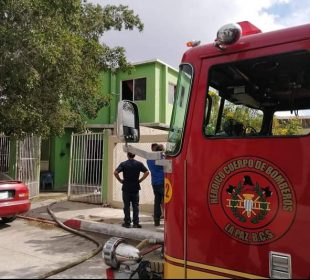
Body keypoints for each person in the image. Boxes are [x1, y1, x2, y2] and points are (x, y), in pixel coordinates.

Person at [114, 152, 149, 228]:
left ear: (127, 155)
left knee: (126, 206)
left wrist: (120, 180)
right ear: (134, 155)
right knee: (135, 206)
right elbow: (147, 172)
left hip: (126, 187)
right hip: (135, 187)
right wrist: (140, 180)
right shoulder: (139, 164)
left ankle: (127, 223)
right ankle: (136, 223)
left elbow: (116, 172)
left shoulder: (123, 164)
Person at [147, 143, 165, 227]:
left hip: (154, 183)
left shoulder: (149, 160)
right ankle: (168, 220)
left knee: (157, 202)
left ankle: (156, 221)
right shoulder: (162, 159)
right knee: (167, 202)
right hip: (163, 183)